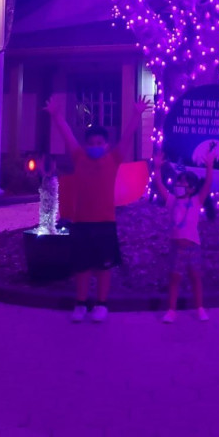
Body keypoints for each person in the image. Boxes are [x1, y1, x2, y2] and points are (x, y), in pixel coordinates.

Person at [45, 93, 151, 322]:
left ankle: (101, 304)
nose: (95, 146)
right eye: (91, 143)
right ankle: (81, 303)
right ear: (86, 145)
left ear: (106, 145)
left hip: (105, 222)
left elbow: (127, 137)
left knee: (104, 267)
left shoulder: (113, 158)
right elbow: (68, 135)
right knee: (82, 267)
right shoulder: (79, 158)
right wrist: (56, 116)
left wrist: (136, 115)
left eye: (99, 143)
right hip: (81, 223)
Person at [154, 148, 214, 323]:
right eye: (178, 183)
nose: (179, 186)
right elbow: (159, 185)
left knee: (196, 277)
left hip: (193, 246)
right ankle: (171, 310)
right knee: (174, 278)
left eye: (183, 184)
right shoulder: (172, 200)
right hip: (176, 246)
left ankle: (200, 308)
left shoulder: (196, 201)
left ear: (192, 188)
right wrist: (157, 168)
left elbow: (208, 184)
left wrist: (209, 166)